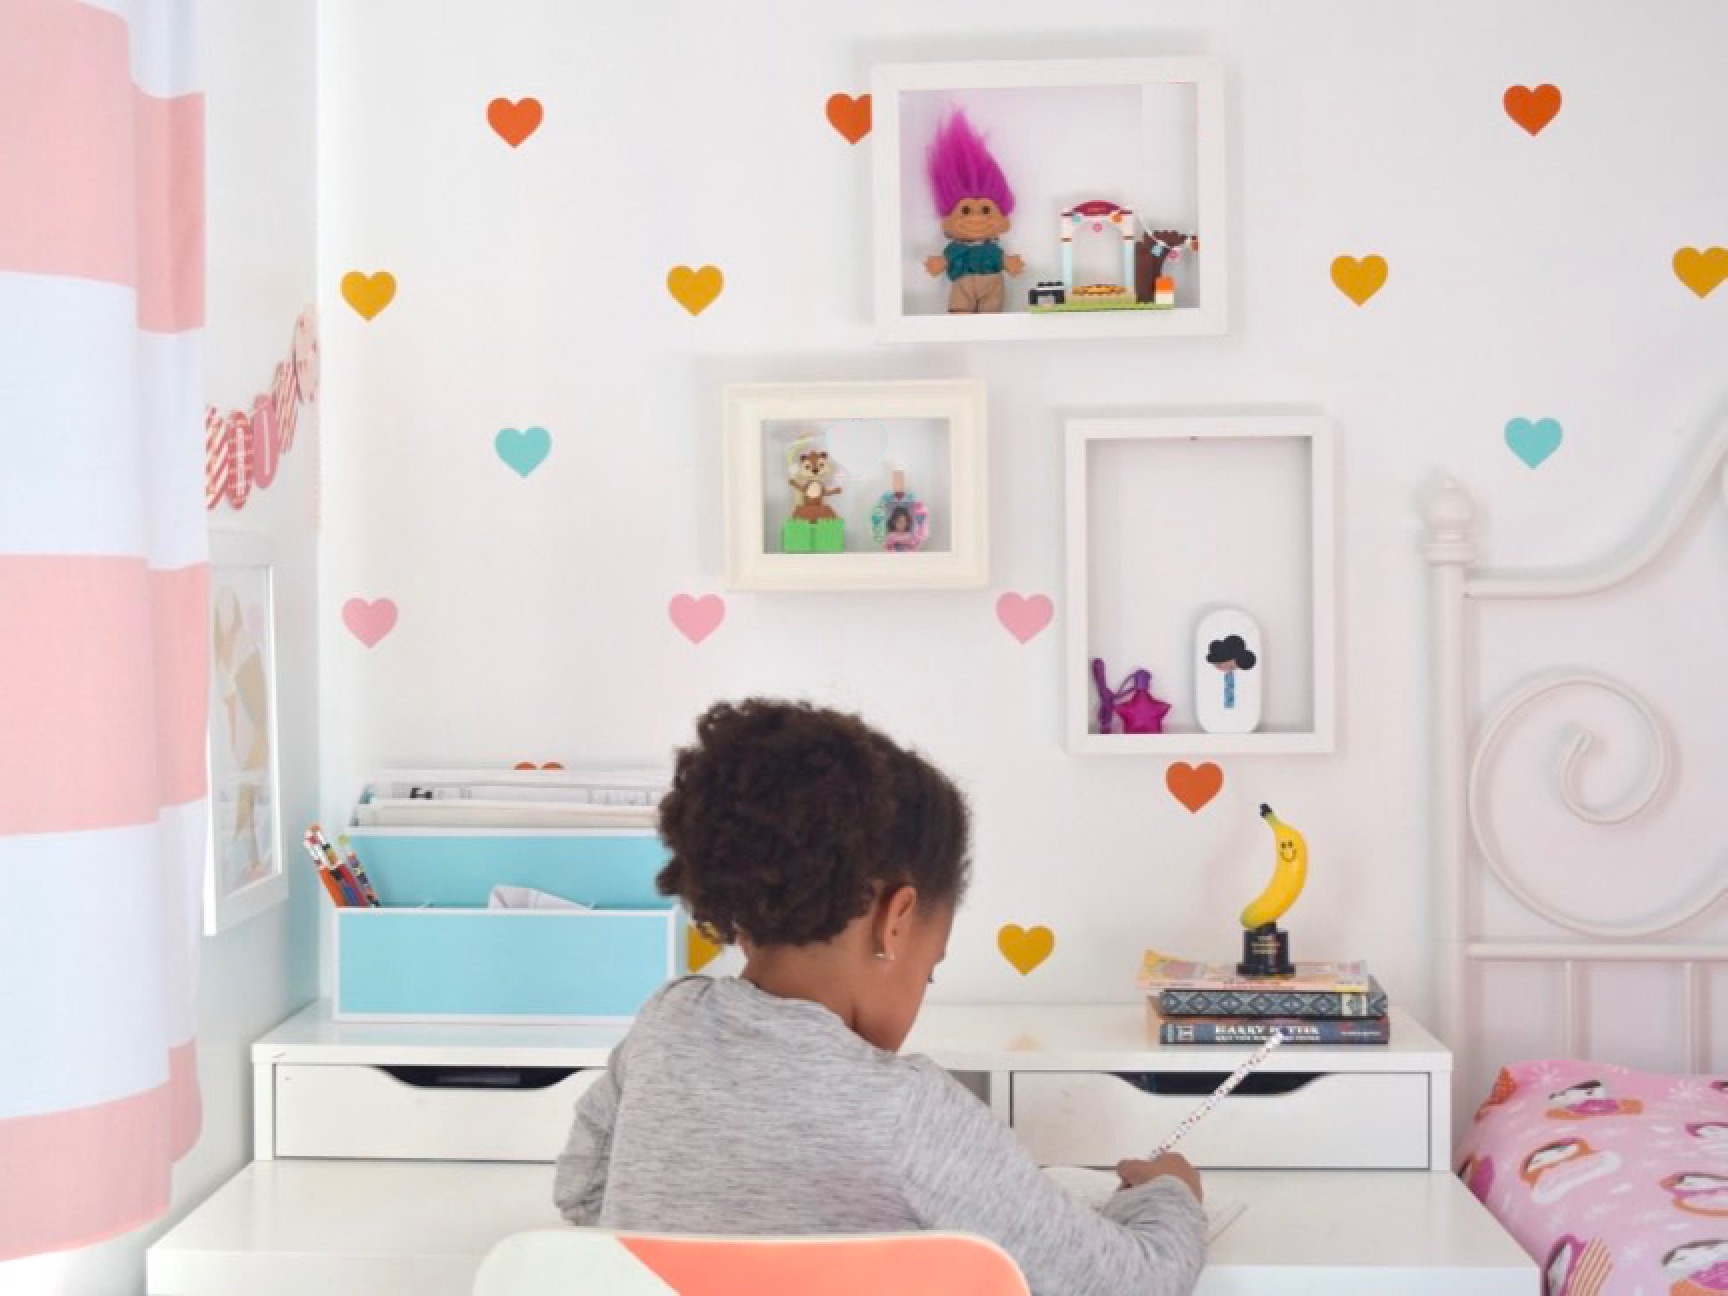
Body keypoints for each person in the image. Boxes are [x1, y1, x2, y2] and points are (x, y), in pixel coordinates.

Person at [554, 699, 1207, 1295]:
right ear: (896, 920)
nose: (923, 991)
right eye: (930, 970)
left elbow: (583, 1195)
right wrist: (1169, 1197)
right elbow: (1132, 1286)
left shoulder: (664, 1027)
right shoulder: (906, 1112)